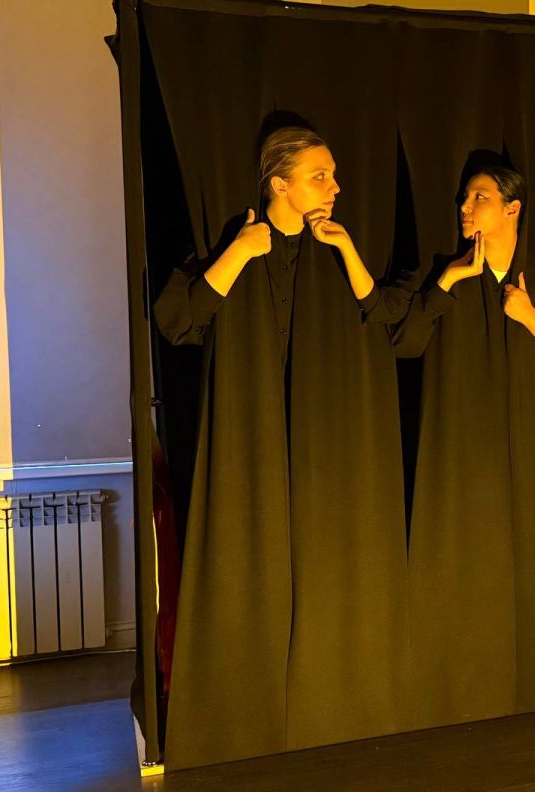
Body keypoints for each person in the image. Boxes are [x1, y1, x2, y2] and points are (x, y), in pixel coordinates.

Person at [154, 124, 411, 767]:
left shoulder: (332, 252)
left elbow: (385, 320)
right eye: (320, 175)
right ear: (279, 184)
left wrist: (345, 248)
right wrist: (241, 252)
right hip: (250, 439)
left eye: (334, 174)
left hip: (324, 447)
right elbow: (179, 321)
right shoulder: (236, 242)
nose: (335, 186)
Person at [394, 153, 535, 729]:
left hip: (532, 435)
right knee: (468, 552)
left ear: (512, 208)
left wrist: (529, 315)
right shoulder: (444, 272)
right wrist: (447, 282)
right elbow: (406, 342)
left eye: (480, 198)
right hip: (462, 443)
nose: (465, 208)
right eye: (465, 198)